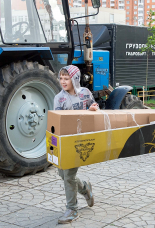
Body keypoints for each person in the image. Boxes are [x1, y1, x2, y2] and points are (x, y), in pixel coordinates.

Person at [54, 65, 98, 224]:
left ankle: (72, 209)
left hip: (80, 140)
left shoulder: (85, 93)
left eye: (67, 78)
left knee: (69, 176)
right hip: (64, 140)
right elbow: (57, 120)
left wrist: (94, 109)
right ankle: (85, 188)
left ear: (75, 79)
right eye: (61, 78)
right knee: (63, 174)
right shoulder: (59, 98)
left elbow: (95, 108)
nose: (63, 81)